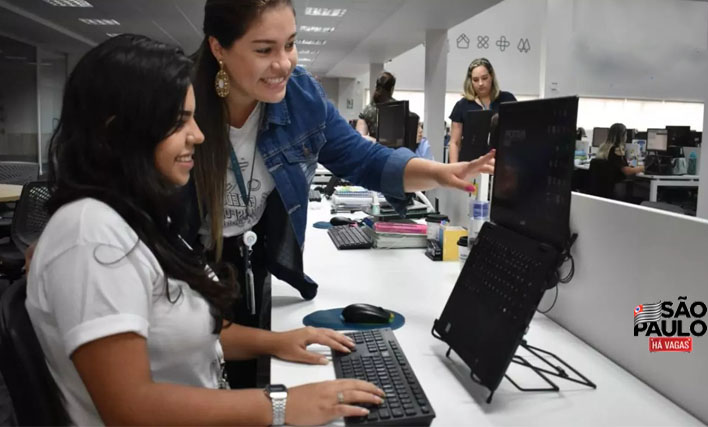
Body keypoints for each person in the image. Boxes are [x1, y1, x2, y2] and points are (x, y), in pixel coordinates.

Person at [26, 34, 385, 426]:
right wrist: (281, 405)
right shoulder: (92, 236)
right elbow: (130, 408)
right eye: (179, 122)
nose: (198, 135)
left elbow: (180, 332)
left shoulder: (136, 216)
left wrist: (277, 341)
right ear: (119, 131)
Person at [186, 0, 495, 389]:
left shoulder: (301, 97)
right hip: (187, 266)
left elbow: (362, 158)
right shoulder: (180, 105)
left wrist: (440, 173)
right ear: (218, 49)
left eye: (290, 44)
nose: (284, 63)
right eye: (264, 50)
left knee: (248, 374)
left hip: (252, 258)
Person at [448, 57, 516, 163]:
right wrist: (453, 169)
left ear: (491, 76)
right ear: (470, 81)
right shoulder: (462, 105)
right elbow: (455, 142)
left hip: (501, 162)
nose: (480, 83)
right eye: (475, 80)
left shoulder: (507, 99)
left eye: (484, 78)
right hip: (470, 164)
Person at [356, 71, 396, 141]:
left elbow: (361, 138)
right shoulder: (399, 108)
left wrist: (377, 142)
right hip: (395, 151)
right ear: (392, 89)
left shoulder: (367, 110)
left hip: (376, 149)